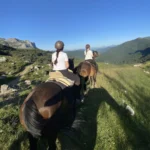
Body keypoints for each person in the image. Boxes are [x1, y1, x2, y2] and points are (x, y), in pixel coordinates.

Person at [51, 40, 82, 119]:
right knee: (77, 78)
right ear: (62, 47)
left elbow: (53, 64)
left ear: (55, 47)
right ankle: (78, 98)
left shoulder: (53, 54)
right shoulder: (64, 54)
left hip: (54, 73)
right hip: (63, 72)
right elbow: (67, 66)